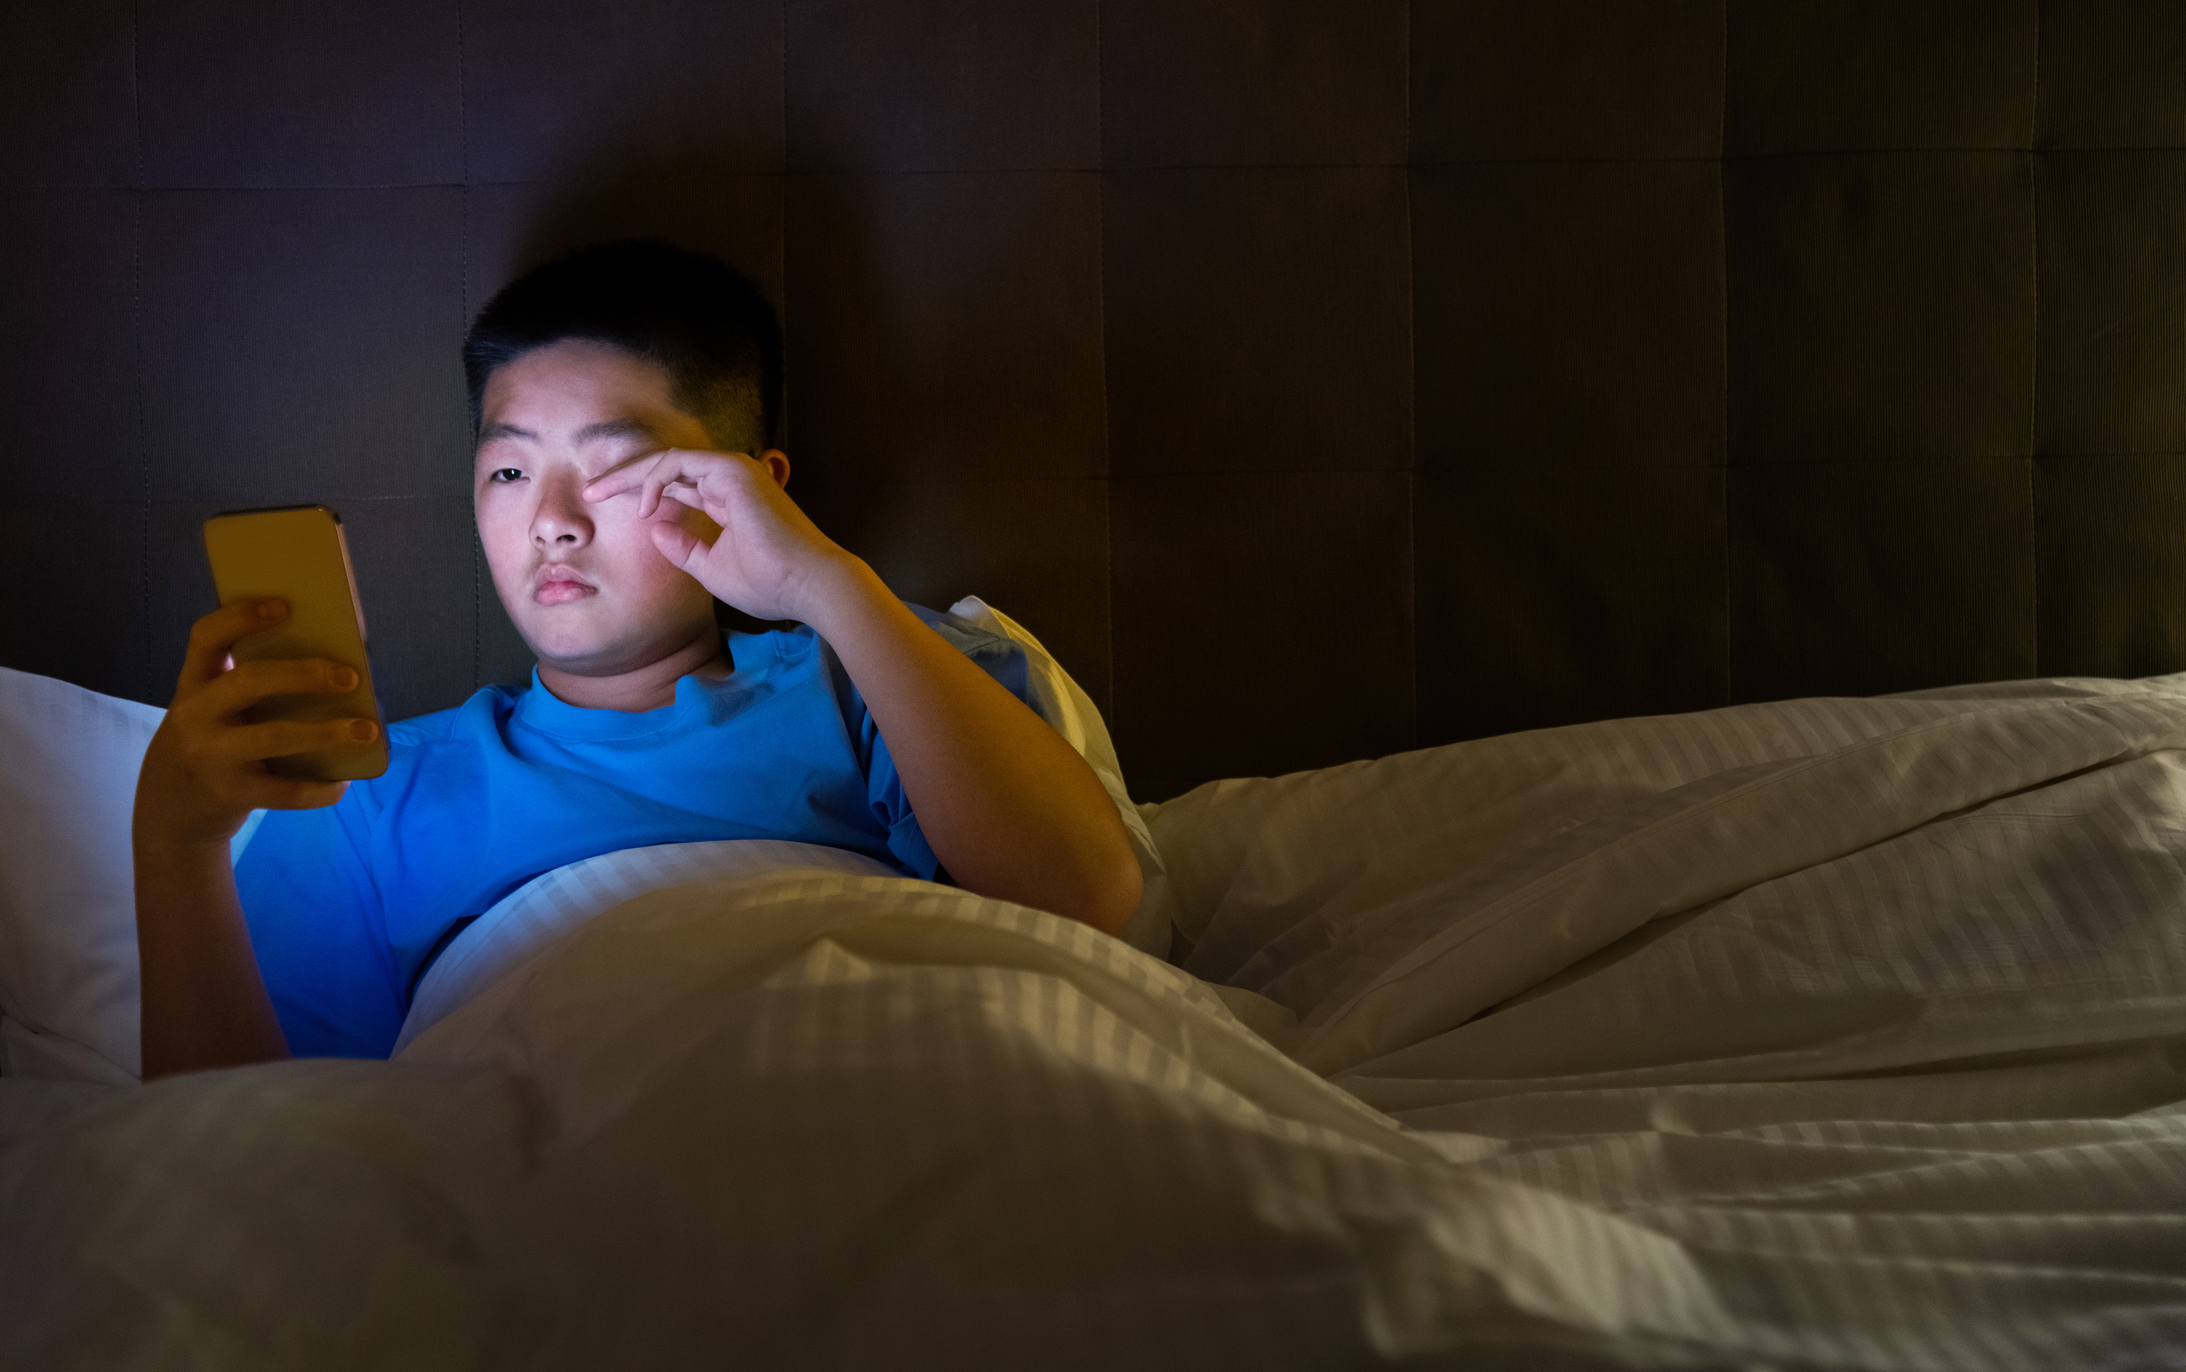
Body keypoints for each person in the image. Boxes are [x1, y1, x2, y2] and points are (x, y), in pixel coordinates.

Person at [131, 240, 1142, 1079]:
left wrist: (824, 584)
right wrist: (172, 847)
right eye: (511, 469)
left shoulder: (870, 681)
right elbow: (236, 1144)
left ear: (750, 487)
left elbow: (1085, 902)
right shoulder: (370, 795)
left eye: (613, 469)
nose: (553, 524)